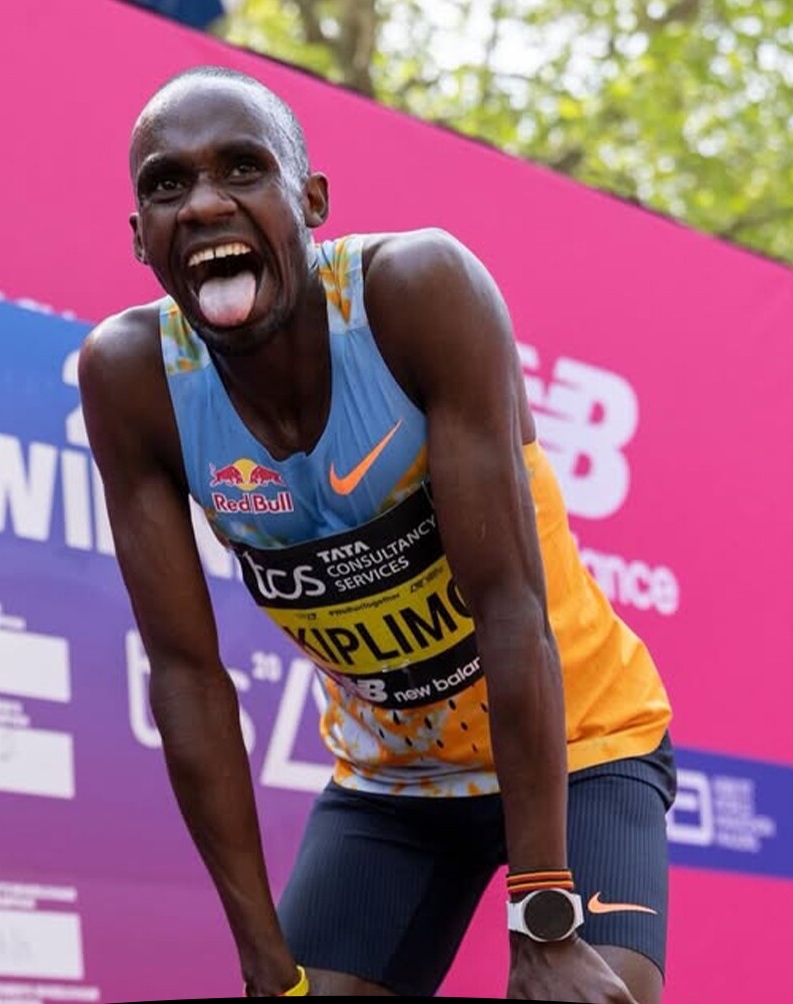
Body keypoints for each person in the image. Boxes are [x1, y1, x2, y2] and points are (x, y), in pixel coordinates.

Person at [79, 64, 675, 1001]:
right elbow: (187, 679)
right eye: (167, 185)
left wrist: (544, 917)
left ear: (311, 199)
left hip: (580, 742)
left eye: (243, 169)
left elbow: (509, 610)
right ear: (139, 238)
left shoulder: (415, 291)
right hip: (393, 785)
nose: (203, 204)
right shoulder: (132, 378)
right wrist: (264, 961)